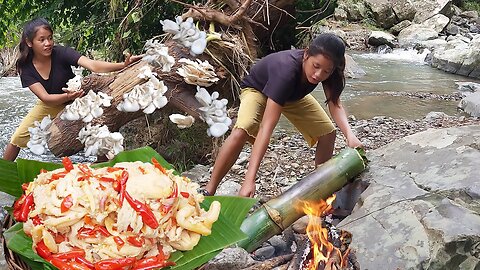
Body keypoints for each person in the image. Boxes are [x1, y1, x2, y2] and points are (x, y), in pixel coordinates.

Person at [205, 33, 363, 197]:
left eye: (326, 71)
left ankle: (321, 188)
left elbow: (335, 104)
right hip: (257, 89)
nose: (318, 75)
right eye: (315, 66)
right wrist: (249, 179)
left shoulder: (331, 70)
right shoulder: (286, 70)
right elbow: (267, 127)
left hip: (291, 96)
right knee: (244, 128)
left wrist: (350, 135)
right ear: (306, 54)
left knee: (328, 133)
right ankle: (209, 189)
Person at [2, 17, 141, 161]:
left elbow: (93, 65)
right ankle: (4, 172)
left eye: (50, 38)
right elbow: (46, 98)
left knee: (99, 128)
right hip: (50, 104)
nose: (48, 43)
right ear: (29, 42)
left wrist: (123, 65)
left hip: (76, 101)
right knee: (16, 139)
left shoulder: (61, 53)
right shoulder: (25, 67)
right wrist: (67, 96)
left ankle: (103, 165)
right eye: (41, 40)